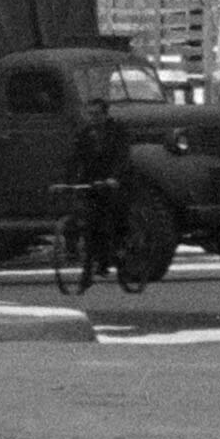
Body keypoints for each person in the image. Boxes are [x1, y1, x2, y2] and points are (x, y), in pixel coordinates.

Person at [60, 87, 128, 294]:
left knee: (112, 218)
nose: (93, 118)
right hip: (92, 183)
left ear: (105, 114)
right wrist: (66, 182)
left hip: (113, 183)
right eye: (90, 114)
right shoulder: (84, 134)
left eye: (97, 114)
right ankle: (88, 269)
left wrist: (114, 178)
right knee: (89, 224)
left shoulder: (117, 131)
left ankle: (117, 252)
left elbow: (122, 157)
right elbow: (74, 159)